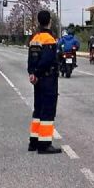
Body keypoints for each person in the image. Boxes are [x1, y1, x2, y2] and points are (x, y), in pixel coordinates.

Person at [27, 10, 62, 154]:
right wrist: (38, 72)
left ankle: (33, 142)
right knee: (48, 110)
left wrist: (32, 73)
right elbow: (47, 61)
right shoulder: (49, 39)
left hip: (38, 79)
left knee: (38, 109)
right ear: (50, 22)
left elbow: (31, 59)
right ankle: (45, 144)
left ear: (38, 21)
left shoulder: (34, 38)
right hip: (47, 79)